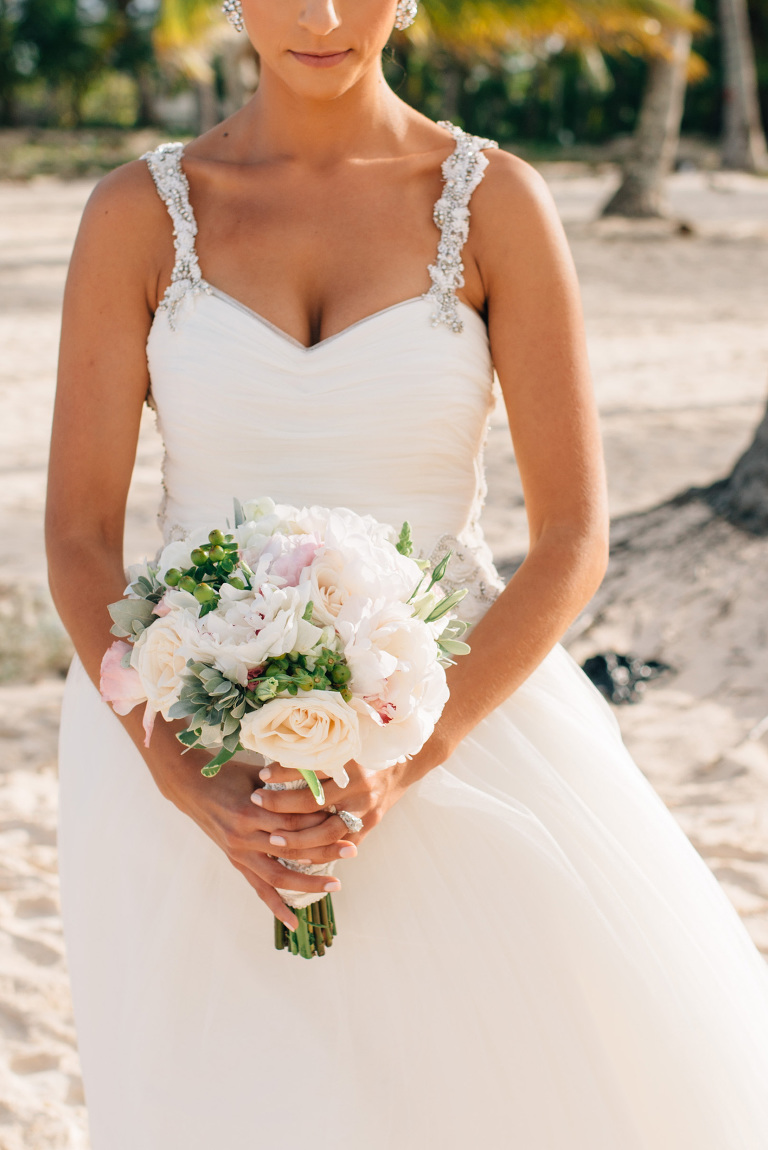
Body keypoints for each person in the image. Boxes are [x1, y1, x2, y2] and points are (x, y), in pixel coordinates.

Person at [46, 2, 768, 1147]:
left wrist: (400, 759)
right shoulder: (139, 214)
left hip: (464, 730)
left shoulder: (496, 204)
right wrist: (191, 781)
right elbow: (80, 538)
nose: (326, 17)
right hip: (185, 758)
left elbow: (576, 536)